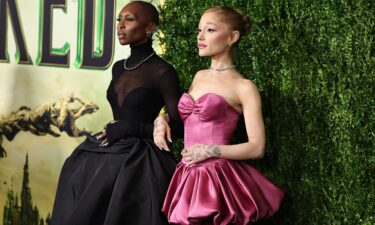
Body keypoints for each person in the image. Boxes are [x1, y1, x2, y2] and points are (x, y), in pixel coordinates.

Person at [50, 1, 183, 225]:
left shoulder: (164, 72)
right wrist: (118, 129)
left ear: (150, 27)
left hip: (141, 158)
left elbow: (180, 128)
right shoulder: (118, 67)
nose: (120, 26)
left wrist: (132, 128)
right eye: (118, 20)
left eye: (129, 19)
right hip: (109, 146)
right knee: (73, 169)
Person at [154, 6, 284, 225]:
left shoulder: (244, 87)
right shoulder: (199, 76)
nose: (201, 36)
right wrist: (163, 120)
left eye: (210, 30)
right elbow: (191, 119)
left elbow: (257, 147)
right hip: (187, 175)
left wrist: (210, 151)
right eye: (199, 30)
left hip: (216, 180)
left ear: (233, 37)